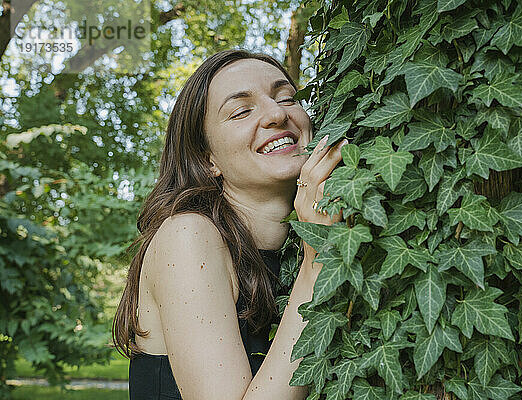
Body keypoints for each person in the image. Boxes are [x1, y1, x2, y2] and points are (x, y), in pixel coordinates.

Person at [112, 49, 349, 399]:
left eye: (286, 97)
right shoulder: (188, 235)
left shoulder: (290, 251)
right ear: (207, 159)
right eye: (241, 111)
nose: (276, 113)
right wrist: (318, 261)